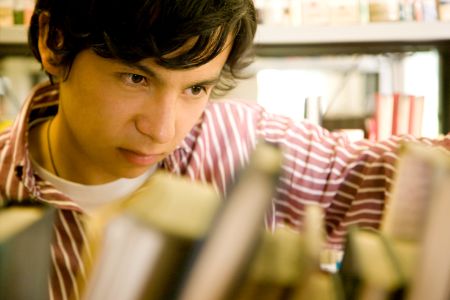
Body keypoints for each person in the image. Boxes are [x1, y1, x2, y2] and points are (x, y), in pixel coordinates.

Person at [0, 0, 448, 299]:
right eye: (135, 78)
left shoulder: (243, 145)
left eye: (196, 88)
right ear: (53, 41)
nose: (161, 130)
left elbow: (383, 173)